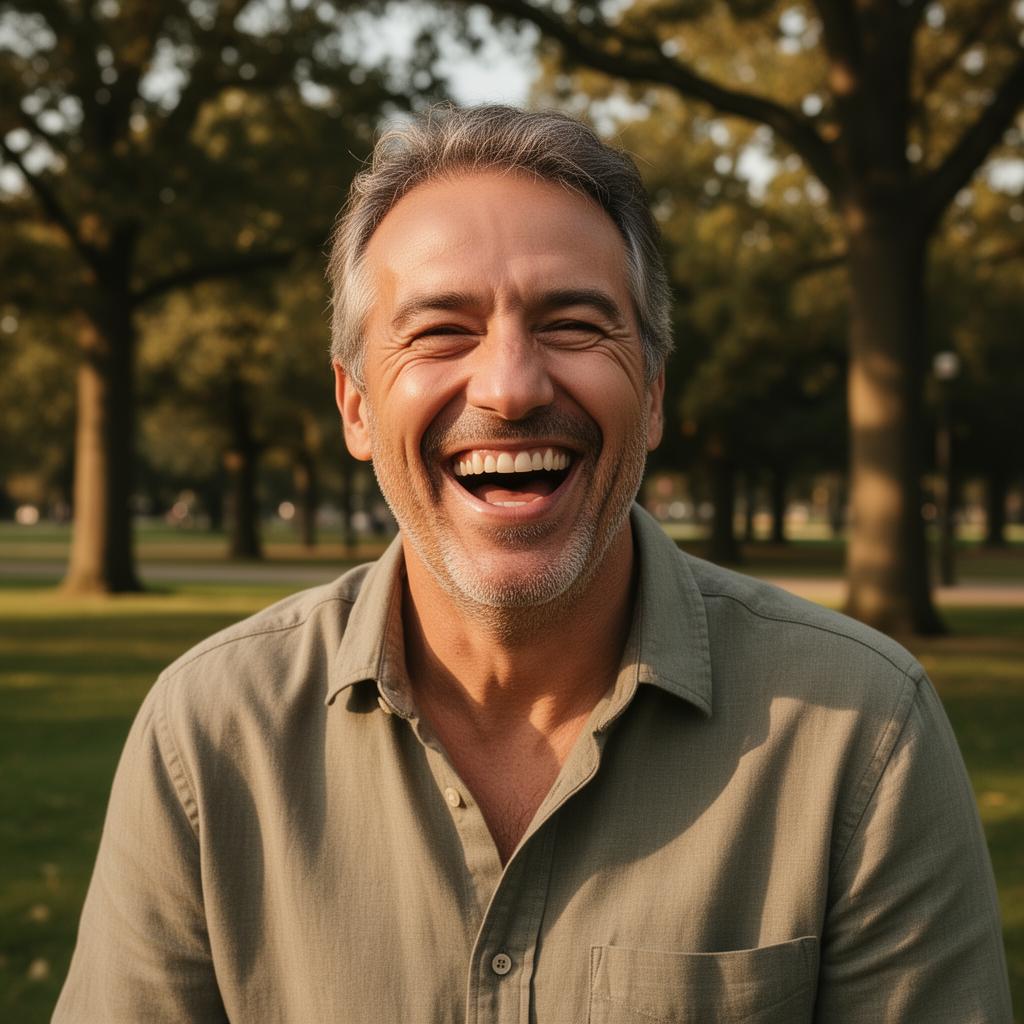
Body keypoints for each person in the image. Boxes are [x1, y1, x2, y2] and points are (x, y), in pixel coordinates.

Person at [54, 105, 1011, 1023]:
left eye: (572, 325)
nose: (511, 387)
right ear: (354, 407)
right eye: (441, 332)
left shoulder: (860, 734)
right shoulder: (209, 740)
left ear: (655, 395)